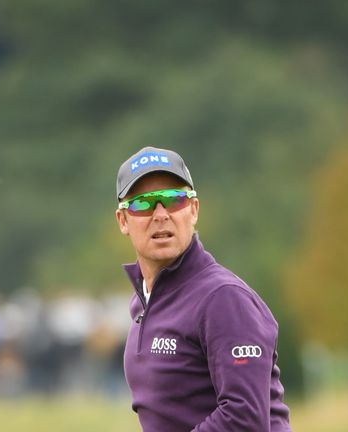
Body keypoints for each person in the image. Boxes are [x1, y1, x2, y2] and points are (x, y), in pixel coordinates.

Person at [114, 146, 291, 431]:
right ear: (123, 220)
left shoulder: (224, 298)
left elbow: (244, 420)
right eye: (143, 204)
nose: (160, 214)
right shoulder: (144, 303)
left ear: (193, 210)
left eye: (174, 200)